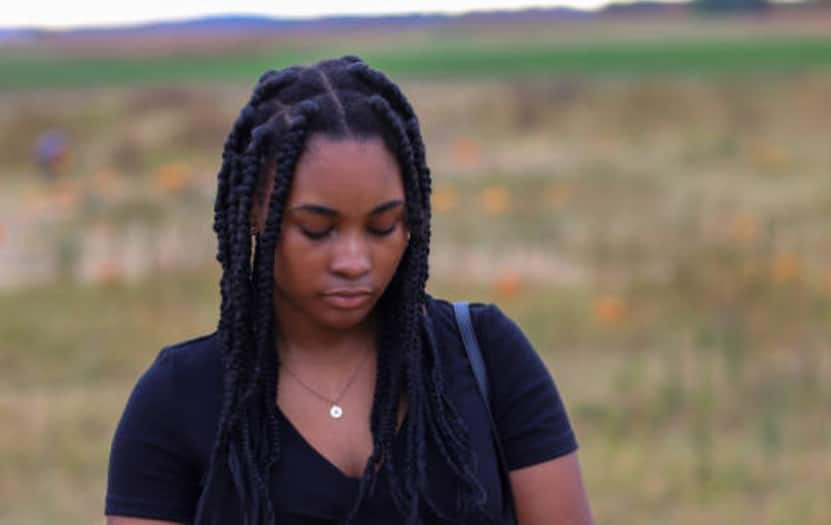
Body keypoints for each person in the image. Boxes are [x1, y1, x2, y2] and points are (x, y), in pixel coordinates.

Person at [105, 56, 593, 525]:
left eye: (383, 226)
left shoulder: (486, 355)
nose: (354, 262)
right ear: (257, 212)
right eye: (317, 229)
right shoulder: (177, 398)